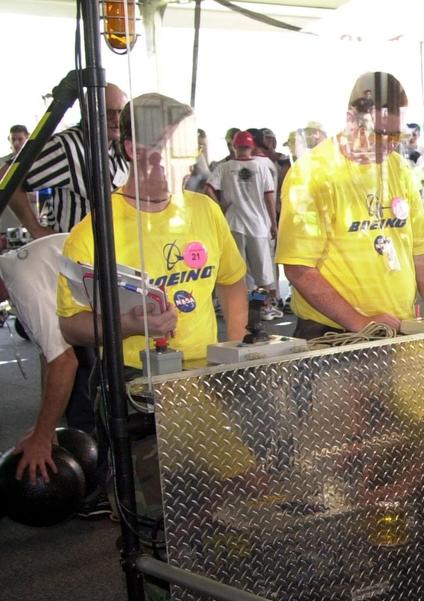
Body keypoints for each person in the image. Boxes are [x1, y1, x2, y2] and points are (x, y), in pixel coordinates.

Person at [56, 93, 248, 370]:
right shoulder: (93, 232)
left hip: (205, 372)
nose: (188, 162)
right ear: (134, 149)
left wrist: (237, 348)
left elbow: (231, 280)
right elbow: (70, 325)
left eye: (190, 148)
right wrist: (128, 325)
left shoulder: (205, 210)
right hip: (133, 378)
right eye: (173, 148)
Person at [276, 72, 424, 339]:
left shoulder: (398, 169)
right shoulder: (313, 173)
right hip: (334, 334)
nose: (389, 145)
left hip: (399, 327)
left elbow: (420, 251)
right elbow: (299, 268)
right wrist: (360, 322)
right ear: (351, 119)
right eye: (380, 135)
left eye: (395, 136)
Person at [0, 234, 79, 481]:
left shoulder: (22, 282)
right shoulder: (16, 269)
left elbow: (64, 362)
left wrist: (43, 437)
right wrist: (44, 427)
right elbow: (49, 356)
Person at [11, 84, 129, 239]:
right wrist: (36, 230)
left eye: (121, 111)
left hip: (114, 255)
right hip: (74, 258)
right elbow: (7, 177)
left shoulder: (120, 148)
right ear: (89, 112)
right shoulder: (67, 146)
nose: (117, 119)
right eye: (108, 112)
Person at [206, 130, 280, 319]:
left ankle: (242, 309)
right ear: (251, 146)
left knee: (239, 272)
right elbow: (269, 196)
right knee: (262, 273)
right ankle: (262, 308)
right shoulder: (262, 166)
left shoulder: (225, 167)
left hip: (233, 225)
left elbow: (208, 188)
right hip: (257, 225)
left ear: (234, 146)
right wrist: (273, 223)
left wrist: (220, 208)